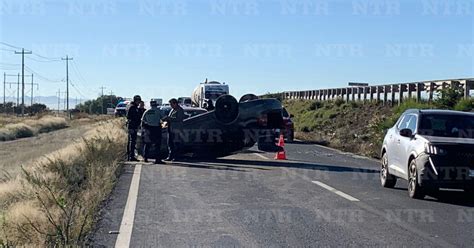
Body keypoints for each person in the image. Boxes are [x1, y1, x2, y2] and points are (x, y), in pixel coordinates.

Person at [141, 99, 163, 164]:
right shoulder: (159, 111)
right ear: (156, 105)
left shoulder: (147, 111)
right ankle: (157, 159)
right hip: (156, 129)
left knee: (147, 144)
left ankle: (145, 158)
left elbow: (142, 120)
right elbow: (164, 118)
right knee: (157, 144)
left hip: (148, 129)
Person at [126, 95, 142, 161]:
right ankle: (131, 156)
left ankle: (131, 156)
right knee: (132, 141)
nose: (139, 103)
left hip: (133, 126)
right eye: (138, 101)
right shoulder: (132, 107)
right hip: (132, 126)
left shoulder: (134, 107)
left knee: (132, 141)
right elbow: (129, 117)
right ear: (136, 100)